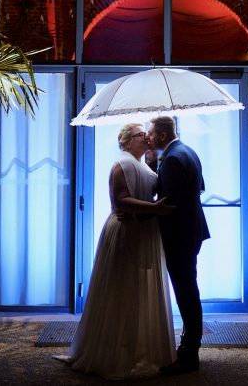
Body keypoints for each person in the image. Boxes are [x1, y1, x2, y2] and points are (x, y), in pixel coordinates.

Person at [58, 123, 176, 380]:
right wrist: (154, 209)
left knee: (138, 289)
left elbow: (152, 188)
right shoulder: (121, 165)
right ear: (126, 142)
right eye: (139, 134)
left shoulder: (144, 164)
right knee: (121, 287)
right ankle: (113, 350)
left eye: (146, 133)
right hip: (125, 231)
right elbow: (120, 201)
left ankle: (138, 347)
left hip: (143, 230)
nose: (145, 136)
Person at [147, 115, 210, 374]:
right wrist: (154, 168)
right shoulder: (187, 151)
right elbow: (199, 188)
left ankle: (188, 355)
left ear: (162, 135)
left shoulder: (172, 158)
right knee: (188, 290)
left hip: (180, 234)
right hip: (192, 231)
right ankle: (189, 348)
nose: (148, 138)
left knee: (186, 293)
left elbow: (168, 203)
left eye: (150, 134)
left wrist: (141, 212)